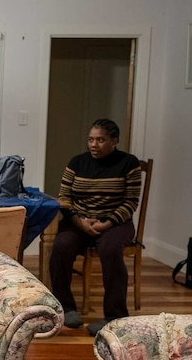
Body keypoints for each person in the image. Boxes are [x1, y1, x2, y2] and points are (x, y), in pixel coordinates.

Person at [49, 119, 142, 336]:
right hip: (79, 221)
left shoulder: (129, 163)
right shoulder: (77, 162)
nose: (94, 145)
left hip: (115, 222)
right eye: (91, 139)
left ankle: (115, 315)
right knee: (62, 245)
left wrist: (107, 222)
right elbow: (64, 197)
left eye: (100, 140)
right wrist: (78, 221)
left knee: (110, 250)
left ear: (114, 141)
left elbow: (131, 202)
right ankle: (66, 307)